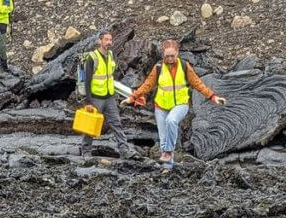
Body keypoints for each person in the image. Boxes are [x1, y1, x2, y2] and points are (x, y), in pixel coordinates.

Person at [126, 40, 226, 169]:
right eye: (167, 56)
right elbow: (147, 85)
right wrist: (133, 97)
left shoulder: (184, 67)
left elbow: (197, 83)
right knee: (163, 138)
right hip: (161, 106)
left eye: (172, 55)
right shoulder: (158, 68)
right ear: (163, 55)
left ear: (177, 53)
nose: (169, 58)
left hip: (180, 104)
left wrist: (212, 96)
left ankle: (168, 152)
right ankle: (167, 168)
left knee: (171, 121)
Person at [80, 32, 137, 159]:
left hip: (109, 97)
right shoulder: (92, 57)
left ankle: (124, 150)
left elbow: (112, 76)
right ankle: (86, 151)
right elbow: (87, 81)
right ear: (100, 41)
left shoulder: (111, 55)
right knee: (91, 125)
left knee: (116, 123)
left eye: (110, 39)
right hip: (96, 97)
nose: (109, 42)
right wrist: (88, 102)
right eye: (106, 39)